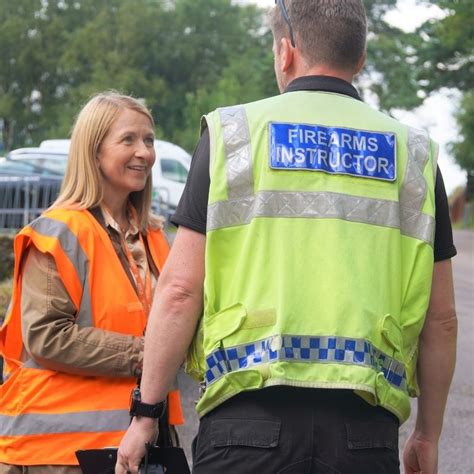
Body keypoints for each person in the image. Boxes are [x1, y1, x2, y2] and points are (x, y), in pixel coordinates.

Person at [116, 1, 457, 472]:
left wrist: (146, 414)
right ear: (359, 60)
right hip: (363, 433)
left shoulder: (234, 135)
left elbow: (179, 291)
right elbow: (441, 320)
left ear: (285, 51)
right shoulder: (414, 154)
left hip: (245, 427)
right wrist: (427, 434)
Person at [0, 92, 184, 473]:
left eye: (149, 140)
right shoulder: (60, 232)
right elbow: (47, 336)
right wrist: (149, 353)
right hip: (60, 454)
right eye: (128, 139)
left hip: (137, 445)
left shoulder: (153, 237)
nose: (145, 152)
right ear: (94, 151)